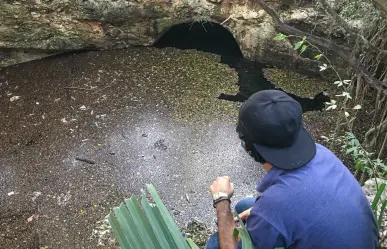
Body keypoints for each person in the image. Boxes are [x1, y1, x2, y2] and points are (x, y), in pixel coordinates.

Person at [206, 90, 378, 249]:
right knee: (246, 205)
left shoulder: (276, 204)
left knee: (216, 243)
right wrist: (261, 212)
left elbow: (280, 206)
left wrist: (221, 199)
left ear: (245, 144)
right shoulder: (321, 153)